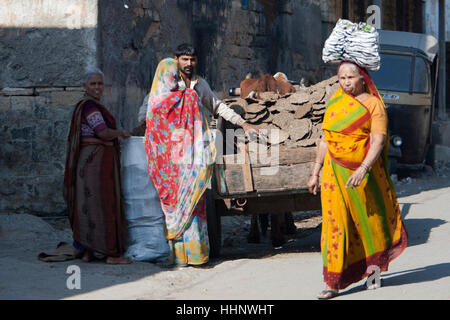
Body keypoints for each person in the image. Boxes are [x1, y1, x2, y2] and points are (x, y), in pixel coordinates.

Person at [307, 61, 408, 299]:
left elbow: (379, 140)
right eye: (342, 78)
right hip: (334, 174)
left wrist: (363, 168)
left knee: (368, 222)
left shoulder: (374, 105)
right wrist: (315, 171)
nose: (346, 83)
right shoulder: (335, 103)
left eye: (350, 78)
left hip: (363, 175)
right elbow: (326, 140)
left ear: (363, 78)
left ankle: (373, 272)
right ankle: (332, 282)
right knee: (335, 225)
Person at [144, 56, 256, 267]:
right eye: (172, 74)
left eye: (192, 60)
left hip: (192, 159)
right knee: (174, 208)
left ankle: (195, 254)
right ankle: (178, 256)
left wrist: (243, 123)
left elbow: (218, 106)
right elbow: (150, 127)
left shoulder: (194, 90)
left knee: (194, 202)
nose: (174, 78)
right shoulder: (156, 102)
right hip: (169, 166)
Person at [63, 69, 132, 264]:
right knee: (104, 204)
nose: (97, 87)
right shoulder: (91, 108)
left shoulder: (87, 106)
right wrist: (121, 133)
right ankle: (110, 254)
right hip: (95, 165)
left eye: (100, 84)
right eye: (92, 84)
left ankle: (89, 251)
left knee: (88, 205)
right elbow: (102, 133)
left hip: (89, 164)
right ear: (85, 87)